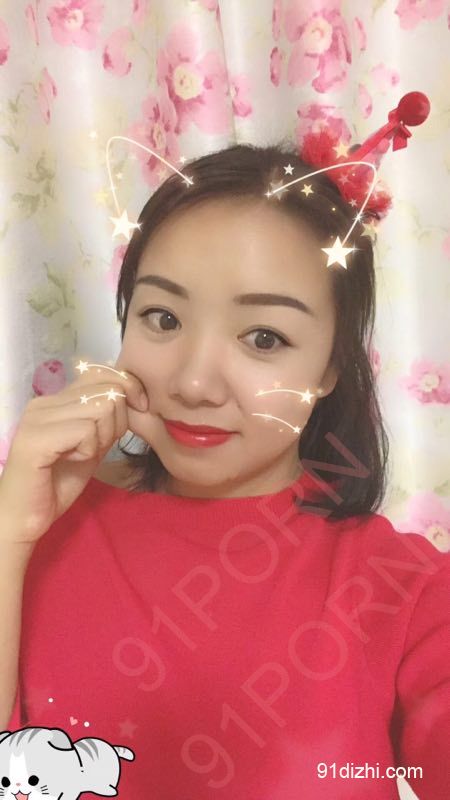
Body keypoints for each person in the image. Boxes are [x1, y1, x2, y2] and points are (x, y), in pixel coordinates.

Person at [0, 141, 448, 800]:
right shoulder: (34, 529)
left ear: (330, 367)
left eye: (264, 337)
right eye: (163, 318)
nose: (194, 383)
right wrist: (11, 536)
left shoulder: (407, 591)